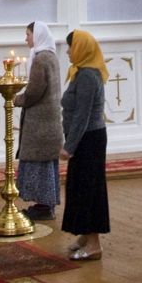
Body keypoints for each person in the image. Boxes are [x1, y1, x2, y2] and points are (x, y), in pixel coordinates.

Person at [60, 29, 109, 260]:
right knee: (79, 188)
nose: (68, 51)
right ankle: (85, 236)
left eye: (71, 46)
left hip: (89, 140)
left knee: (89, 190)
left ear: (81, 48)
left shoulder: (88, 75)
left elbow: (82, 115)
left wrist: (69, 146)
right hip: (84, 139)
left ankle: (94, 244)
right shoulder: (82, 72)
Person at [14, 20, 63, 222]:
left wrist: (16, 99)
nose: (26, 38)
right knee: (47, 165)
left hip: (40, 125)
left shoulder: (41, 59)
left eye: (28, 34)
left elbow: (34, 92)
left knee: (39, 165)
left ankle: (43, 207)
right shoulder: (51, 56)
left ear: (38, 35)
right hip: (49, 122)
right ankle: (46, 204)